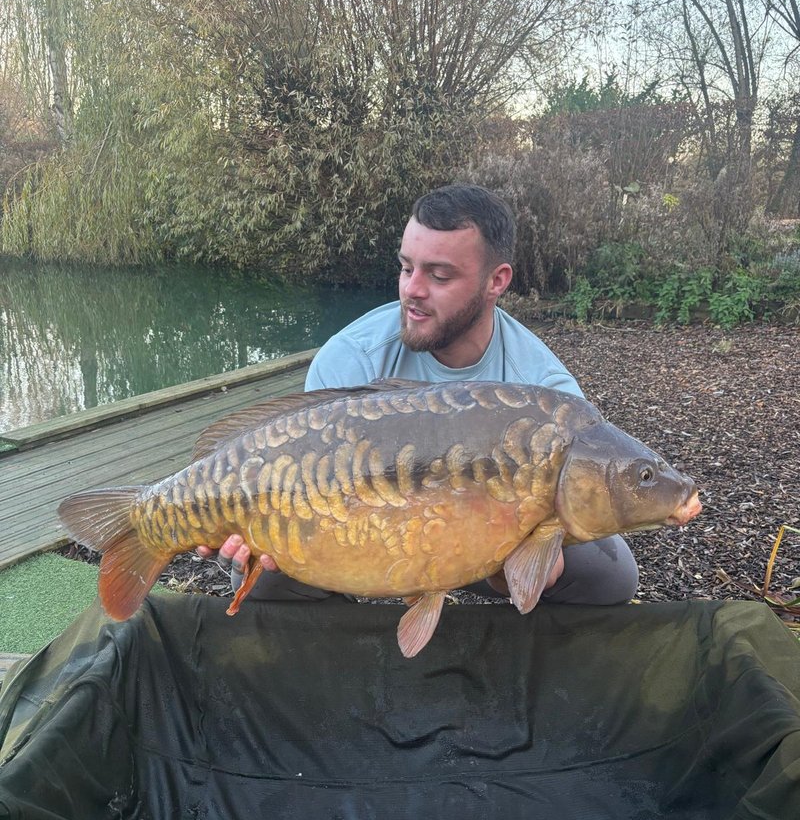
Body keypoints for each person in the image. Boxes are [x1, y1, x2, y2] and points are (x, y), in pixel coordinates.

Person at [197, 184, 638, 605]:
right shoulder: (352, 357)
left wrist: (524, 569)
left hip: (488, 548)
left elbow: (565, 521)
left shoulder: (543, 391)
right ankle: (354, 628)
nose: (412, 290)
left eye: (439, 275)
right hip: (359, 536)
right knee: (263, 576)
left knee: (609, 576)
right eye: (407, 268)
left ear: (496, 281)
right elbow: (304, 480)